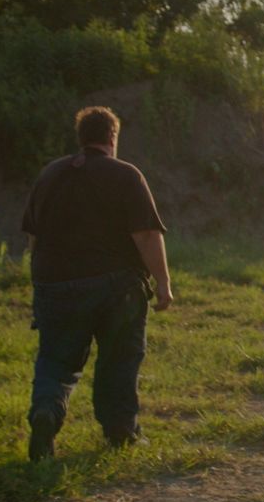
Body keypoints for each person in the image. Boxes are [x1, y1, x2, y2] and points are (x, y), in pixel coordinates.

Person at [21, 105, 174, 461]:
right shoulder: (125, 175)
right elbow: (147, 235)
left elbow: (33, 240)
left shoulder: (49, 175)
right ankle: (121, 433)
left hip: (55, 285)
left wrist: (43, 282)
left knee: (57, 362)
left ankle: (47, 410)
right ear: (112, 137)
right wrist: (163, 283)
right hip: (116, 288)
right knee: (119, 360)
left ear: (81, 137)